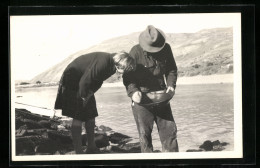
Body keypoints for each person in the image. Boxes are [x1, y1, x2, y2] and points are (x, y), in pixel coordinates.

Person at [54, 51, 135, 154]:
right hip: (72, 81)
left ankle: (91, 147)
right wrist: (83, 98)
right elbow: (85, 81)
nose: (125, 71)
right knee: (78, 115)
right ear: (120, 63)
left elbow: (98, 81)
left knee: (91, 115)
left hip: (84, 84)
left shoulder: (112, 65)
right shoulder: (104, 62)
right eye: (125, 68)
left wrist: (90, 94)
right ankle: (78, 151)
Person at [123, 25, 179, 152]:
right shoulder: (135, 52)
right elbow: (127, 76)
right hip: (141, 99)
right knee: (144, 137)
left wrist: (171, 85)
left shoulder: (166, 48)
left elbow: (171, 70)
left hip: (162, 97)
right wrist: (133, 92)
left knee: (170, 134)